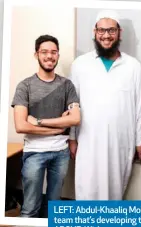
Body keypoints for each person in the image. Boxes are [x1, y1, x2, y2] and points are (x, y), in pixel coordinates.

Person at [69, 10, 141, 200]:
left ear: (119, 32)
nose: (106, 35)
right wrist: (72, 138)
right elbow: (72, 104)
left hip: (120, 141)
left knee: (115, 190)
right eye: (102, 30)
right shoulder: (80, 64)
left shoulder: (133, 66)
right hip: (88, 139)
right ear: (95, 31)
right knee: (87, 189)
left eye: (111, 30)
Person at [11, 35, 80, 217]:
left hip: (61, 153)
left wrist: (40, 122)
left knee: (54, 207)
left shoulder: (67, 85)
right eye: (44, 52)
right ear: (36, 55)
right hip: (34, 153)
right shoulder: (24, 86)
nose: (49, 56)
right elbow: (21, 125)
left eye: (54, 52)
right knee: (30, 208)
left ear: (57, 55)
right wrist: (58, 128)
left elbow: (75, 118)